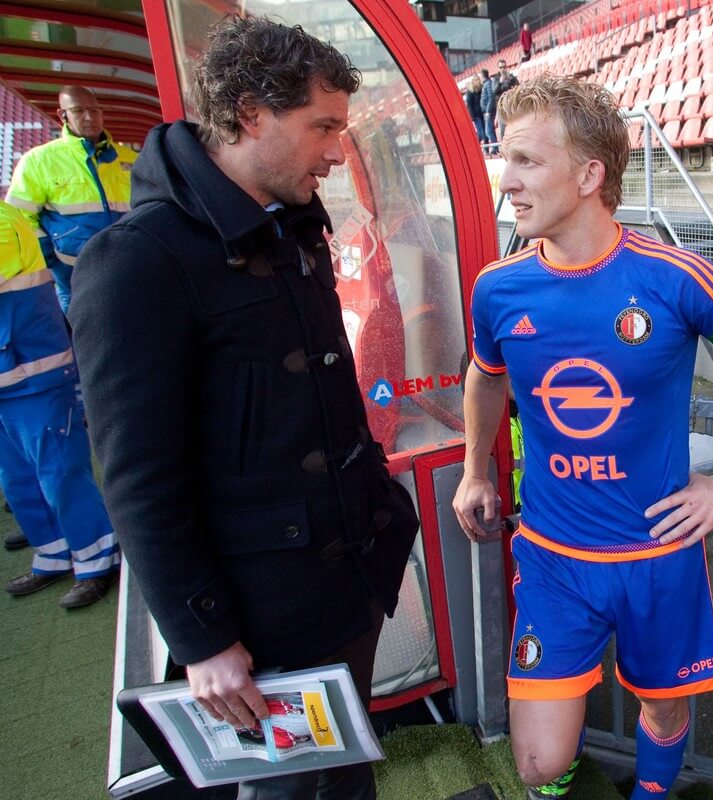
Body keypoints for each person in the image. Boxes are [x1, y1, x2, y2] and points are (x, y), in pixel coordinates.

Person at [69, 17, 419, 800]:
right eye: (323, 127)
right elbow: (138, 478)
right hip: (257, 623)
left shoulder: (292, 223)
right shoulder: (136, 261)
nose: (338, 151)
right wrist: (203, 637)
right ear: (251, 112)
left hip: (343, 588)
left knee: (344, 782)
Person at [452, 76, 713, 800]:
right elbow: (486, 375)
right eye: (506, 159)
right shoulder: (498, 287)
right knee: (539, 763)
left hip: (658, 555)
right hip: (554, 557)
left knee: (662, 704)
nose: (508, 181)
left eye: (526, 161)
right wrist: (474, 472)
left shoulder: (677, 279)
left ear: (589, 176)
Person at [0, 201, 119, 609]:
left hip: (34, 378)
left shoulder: (5, 221)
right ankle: (52, 553)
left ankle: (97, 561)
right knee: (17, 479)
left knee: (60, 475)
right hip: (11, 380)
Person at [5, 85, 137, 313]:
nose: (89, 117)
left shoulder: (130, 159)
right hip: (74, 275)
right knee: (87, 340)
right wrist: (53, 259)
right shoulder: (39, 161)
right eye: (78, 111)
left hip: (131, 267)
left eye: (95, 110)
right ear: (62, 115)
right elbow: (19, 219)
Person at [495, 61, 520, 142]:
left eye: (504, 67)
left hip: (511, 105)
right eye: (500, 67)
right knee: (502, 129)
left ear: (506, 67)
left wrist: (511, 81)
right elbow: (494, 91)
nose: (503, 69)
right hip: (501, 106)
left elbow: (518, 87)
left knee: (514, 127)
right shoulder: (496, 79)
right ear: (498, 69)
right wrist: (500, 82)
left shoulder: (511, 77)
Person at [480, 69, 498, 155]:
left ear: (483, 75)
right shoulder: (485, 84)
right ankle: (494, 148)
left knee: (489, 130)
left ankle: (495, 148)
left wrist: (487, 111)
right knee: (489, 130)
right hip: (486, 111)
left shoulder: (488, 84)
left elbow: (491, 97)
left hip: (489, 112)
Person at [465, 76, 486, 146]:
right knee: (481, 133)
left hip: (482, 113)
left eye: (478, 79)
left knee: (485, 133)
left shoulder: (481, 89)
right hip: (475, 115)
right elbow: (469, 104)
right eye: (475, 80)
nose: (477, 81)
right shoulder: (470, 91)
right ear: (473, 82)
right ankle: (477, 144)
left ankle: (485, 149)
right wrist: (472, 116)